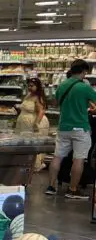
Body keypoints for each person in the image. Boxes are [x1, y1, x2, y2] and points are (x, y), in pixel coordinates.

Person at [46, 59, 96, 200]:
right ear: (84, 71)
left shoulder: (62, 85)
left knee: (57, 157)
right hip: (80, 128)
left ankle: (51, 186)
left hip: (63, 127)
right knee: (78, 160)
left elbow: (55, 102)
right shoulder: (84, 87)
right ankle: (72, 190)